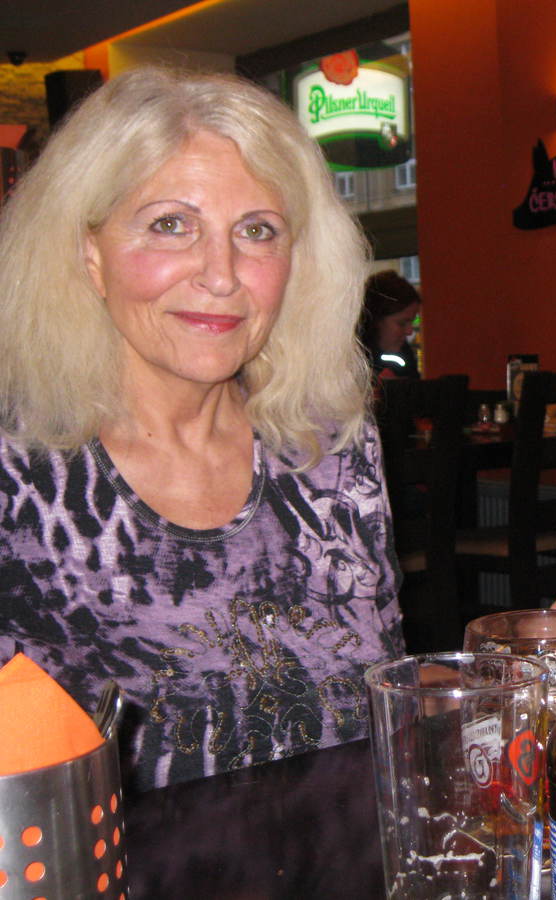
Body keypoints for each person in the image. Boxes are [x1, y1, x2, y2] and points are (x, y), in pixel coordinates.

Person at [0, 66, 402, 789]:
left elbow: (384, 713)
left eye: (257, 230)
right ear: (90, 254)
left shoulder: (330, 447)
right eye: (170, 225)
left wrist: (516, 671)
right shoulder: (17, 471)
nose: (222, 274)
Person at [360, 268, 421, 385]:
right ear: (375, 321)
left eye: (411, 322)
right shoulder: (347, 362)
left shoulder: (404, 353)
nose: (409, 331)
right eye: (402, 323)